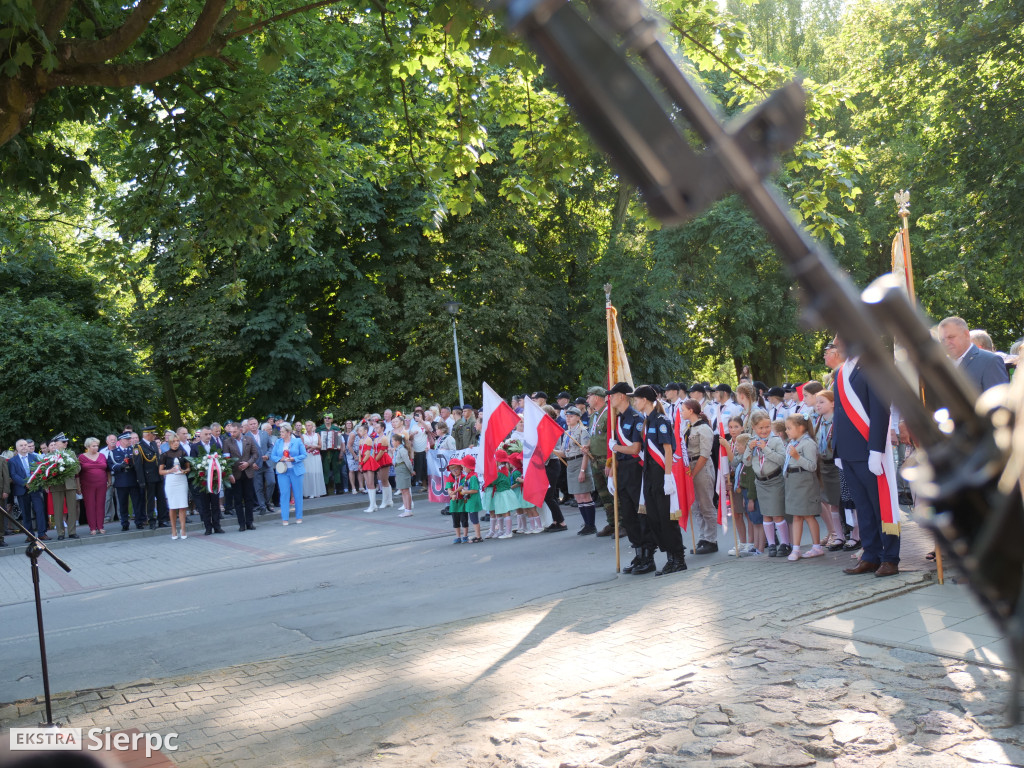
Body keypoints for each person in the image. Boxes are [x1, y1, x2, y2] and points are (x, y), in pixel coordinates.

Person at [834, 339, 901, 576]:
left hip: (869, 451)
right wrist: (837, 450)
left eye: (840, 343)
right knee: (863, 508)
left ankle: (890, 558)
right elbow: (838, 413)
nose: (836, 348)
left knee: (882, 506)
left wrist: (876, 451)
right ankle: (871, 555)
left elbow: (880, 410)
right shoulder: (840, 372)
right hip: (849, 452)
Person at [628, 385, 687, 574]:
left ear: (644, 399)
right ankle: (669, 555)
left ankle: (677, 558)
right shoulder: (646, 421)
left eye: (636, 399)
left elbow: (668, 449)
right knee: (654, 519)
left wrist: (668, 476)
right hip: (650, 476)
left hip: (662, 475)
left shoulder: (661, 420)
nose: (634, 402)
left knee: (667, 519)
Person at [743, 411, 790, 557]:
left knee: (777, 515)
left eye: (767, 427)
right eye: (761, 428)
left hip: (775, 481)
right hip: (761, 483)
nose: (764, 430)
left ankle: (785, 543)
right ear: (754, 428)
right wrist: (749, 449)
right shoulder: (752, 441)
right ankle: (771, 545)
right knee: (766, 516)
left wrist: (765, 448)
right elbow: (746, 462)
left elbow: (782, 459)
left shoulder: (775, 440)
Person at [781, 413, 824, 561]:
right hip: (793, 480)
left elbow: (812, 466)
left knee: (808, 515)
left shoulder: (808, 443)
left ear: (801, 428)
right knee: (796, 515)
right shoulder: (793, 442)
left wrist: (797, 457)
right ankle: (796, 548)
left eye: (789, 428)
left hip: (805, 481)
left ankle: (817, 546)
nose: (786, 431)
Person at [678, 399, 717, 555]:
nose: (681, 412)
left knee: (706, 504)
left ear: (691, 411)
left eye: (683, 410)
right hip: (690, 467)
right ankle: (703, 537)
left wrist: (693, 473)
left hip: (701, 468)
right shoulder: (687, 427)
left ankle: (712, 539)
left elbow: (705, 454)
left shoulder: (704, 429)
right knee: (696, 506)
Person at [554, 405, 596, 535]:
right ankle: (586, 522)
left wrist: (583, 470)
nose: (568, 418)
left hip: (580, 463)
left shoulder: (582, 432)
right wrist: (551, 450)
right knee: (578, 496)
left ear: (578, 418)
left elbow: (585, 452)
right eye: (566, 416)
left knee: (584, 494)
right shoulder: (567, 433)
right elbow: (564, 453)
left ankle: (591, 524)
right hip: (570, 464)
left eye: (571, 416)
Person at [938, 315, 1010, 392]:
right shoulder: (941, 365)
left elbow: (999, 401)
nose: (946, 343)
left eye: (951, 337)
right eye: (942, 340)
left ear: (966, 334)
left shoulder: (990, 361)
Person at [815, 390, 846, 550]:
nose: (818, 405)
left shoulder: (838, 420)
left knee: (847, 501)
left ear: (833, 403)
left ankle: (855, 535)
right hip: (824, 464)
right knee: (832, 502)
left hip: (838, 463)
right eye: (817, 402)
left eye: (822, 402)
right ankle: (838, 536)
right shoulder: (819, 421)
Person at [223, 422, 259, 531]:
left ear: (240, 430)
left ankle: (250, 522)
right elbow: (226, 460)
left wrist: (248, 463)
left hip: (248, 473)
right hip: (235, 474)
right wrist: (229, 474)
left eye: (234, 432)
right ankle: (241, 524)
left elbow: (255, 454)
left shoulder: (249, 439)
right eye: (230, 432)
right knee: (238, 500)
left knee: (249, 499)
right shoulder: (227, 442)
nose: (232, 434)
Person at [190, 427, 226, 535]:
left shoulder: (215, 446)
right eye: (206, 434)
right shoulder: (195, 447)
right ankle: (208, 527)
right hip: (202, 481)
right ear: (200, 435)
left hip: (214, 480)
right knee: (205, 505)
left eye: (210, 434)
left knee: (215, 504)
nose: (208, 436)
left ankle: (217, 526)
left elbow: (221, 459)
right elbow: (193, 463)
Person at [269, 422, 307, 525]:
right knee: (284, 494)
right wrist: (280, 458)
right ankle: (285, 518)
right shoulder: (278, 442)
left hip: (296, 471)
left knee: (298, 495)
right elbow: (272, 456)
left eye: (282, 432)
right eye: (280, 431)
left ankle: (299, 516)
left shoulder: (297, 441)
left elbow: (304, 455)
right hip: (283, 472)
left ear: (288, 432)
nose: (280, 433)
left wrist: (294, 458)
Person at [10, 439, 47, 540]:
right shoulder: (13, 461)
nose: (24, 447)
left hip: (35, 489)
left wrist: (34, 483)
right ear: (17, 448)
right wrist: (24, 483)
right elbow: (13, 475)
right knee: (26, 513)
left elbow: (40, 471)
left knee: (39, 510)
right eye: (21, 445)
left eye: (25, 445)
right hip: (22, 490)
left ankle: (42, 533)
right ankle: (29, 535)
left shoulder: (34, 457)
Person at [159, 434, 191, 539]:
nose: (176, 443)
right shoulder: (165, 455)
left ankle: (183, 529)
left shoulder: (183, 453)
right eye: (174, 441)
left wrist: (184, 471)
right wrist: (170, 471)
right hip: (171, 480)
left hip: (181, 480)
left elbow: (188, 469)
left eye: (177, 441)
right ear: (170, 442)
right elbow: (160, 471)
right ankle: (173, 529)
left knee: (182, 505)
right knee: (172, 506)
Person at [77, 437, 109, 536]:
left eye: (97, 446)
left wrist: (109, 481)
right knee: (90, 505)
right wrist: (78, 487)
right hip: (87, 485)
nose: (96, 448)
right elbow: (77, 474)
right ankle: (92, 528)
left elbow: (107, 469)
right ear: (87, 446)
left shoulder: (102, 456)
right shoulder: (81, 457)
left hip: (102, 484)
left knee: (100, 505)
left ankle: (100, 526)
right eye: (93, 446)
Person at [253, 421, 277, 515]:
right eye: (251, 424)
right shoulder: (247, 436)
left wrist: (267, 455)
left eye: (255, 423)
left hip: (267, 463)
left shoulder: (264, 434)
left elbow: (270, 447)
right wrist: (252, 463)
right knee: (258, 487)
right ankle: (262, 506)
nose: (253, 425)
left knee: (272, 482)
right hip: (256, 465)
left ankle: (267, 502)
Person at [316, 413, 344, 494]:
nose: (327, 419)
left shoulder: (336, 428)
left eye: (329, 418)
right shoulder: (319, 429)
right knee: (326, 470)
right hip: (324, 452)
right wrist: (319, 453)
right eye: (325, 418)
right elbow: (317, 441)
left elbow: (340, 441)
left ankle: (339, 489)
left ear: (332, 420)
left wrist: (341, 452)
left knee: (336, 469)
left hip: (335, 451)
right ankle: (325, 490)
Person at [301, 421, 327, 499]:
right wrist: (308, 447)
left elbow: (320, 446)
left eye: (309, 425)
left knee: (317, 472)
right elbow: (301, 447)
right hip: (308, 456)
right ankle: (310, 492)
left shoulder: (317, 435)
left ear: (312, 427)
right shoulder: (303, 436)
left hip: (316, 455)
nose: (307, 427)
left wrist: (314, 447)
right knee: (309, 473)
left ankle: (318, 491)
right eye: (306, 426)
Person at [447, 458, 470, 544]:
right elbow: (448, 488)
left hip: (462, 501)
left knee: (464, 519)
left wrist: (455, 492)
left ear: (461, 468)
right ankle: (458, 536)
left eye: (456, 469)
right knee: (455, 520)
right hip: (454, 502)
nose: (455, 471)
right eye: (452, 470)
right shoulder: (450, 477)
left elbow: (461, 486)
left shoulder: (464, 477)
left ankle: (465, 535)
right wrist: (451, 494)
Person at [392, 433, 414, 517]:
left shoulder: (402, 450)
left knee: (405, 490)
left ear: (398, 441)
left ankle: (408, 510)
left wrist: (411, 471)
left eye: (393, 441)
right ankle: (406, 509)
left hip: (403, 470)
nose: (392, 442)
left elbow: (407, 461)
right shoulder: (397, 449)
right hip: (399, 470)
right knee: (403, 490)